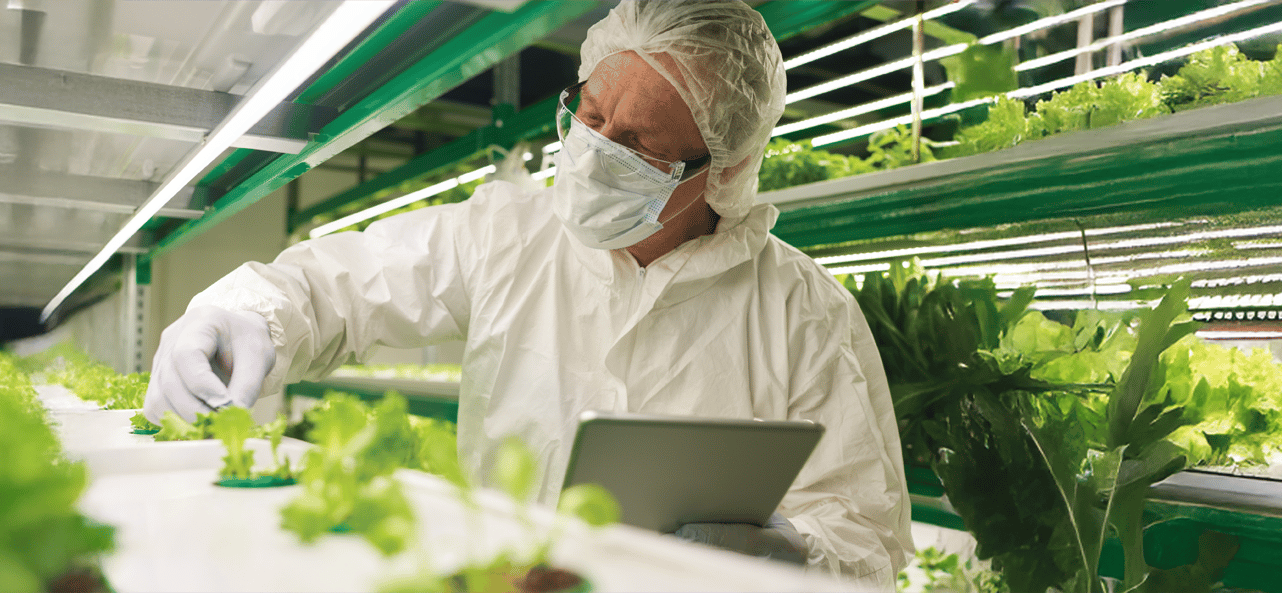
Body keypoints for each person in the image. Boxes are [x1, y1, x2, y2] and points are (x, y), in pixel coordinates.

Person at [142, 0, 911, 587]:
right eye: (592, 112)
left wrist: (779, 553)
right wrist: (245, 315)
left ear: (726, 171)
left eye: (638, 142)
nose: (595, 148)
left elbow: (865, 531)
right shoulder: (508, 233)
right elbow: (342, 287)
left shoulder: (804, 311)